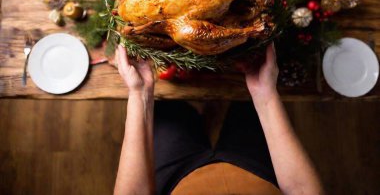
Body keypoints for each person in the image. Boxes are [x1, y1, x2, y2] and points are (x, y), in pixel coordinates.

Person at [113, 43, 325, 195]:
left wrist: (139, 93)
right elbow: (302, 190)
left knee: (170, 112)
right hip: (258, 172)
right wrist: (265, 95)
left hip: (176, 180)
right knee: (245, 112)